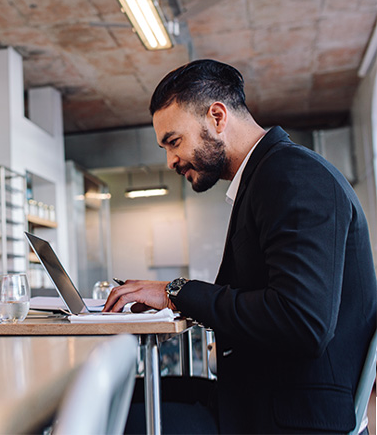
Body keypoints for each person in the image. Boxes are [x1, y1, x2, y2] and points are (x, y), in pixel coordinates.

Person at [104, 59, 377, 434]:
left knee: (108, 415)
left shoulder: (292, 176)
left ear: (217, 117)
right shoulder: (267, 176)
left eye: (173, 141)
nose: (170, 161)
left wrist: (176, 293)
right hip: (264, 395)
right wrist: (175, 295)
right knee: (117, 396)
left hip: (292, 417)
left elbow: (301, 321)